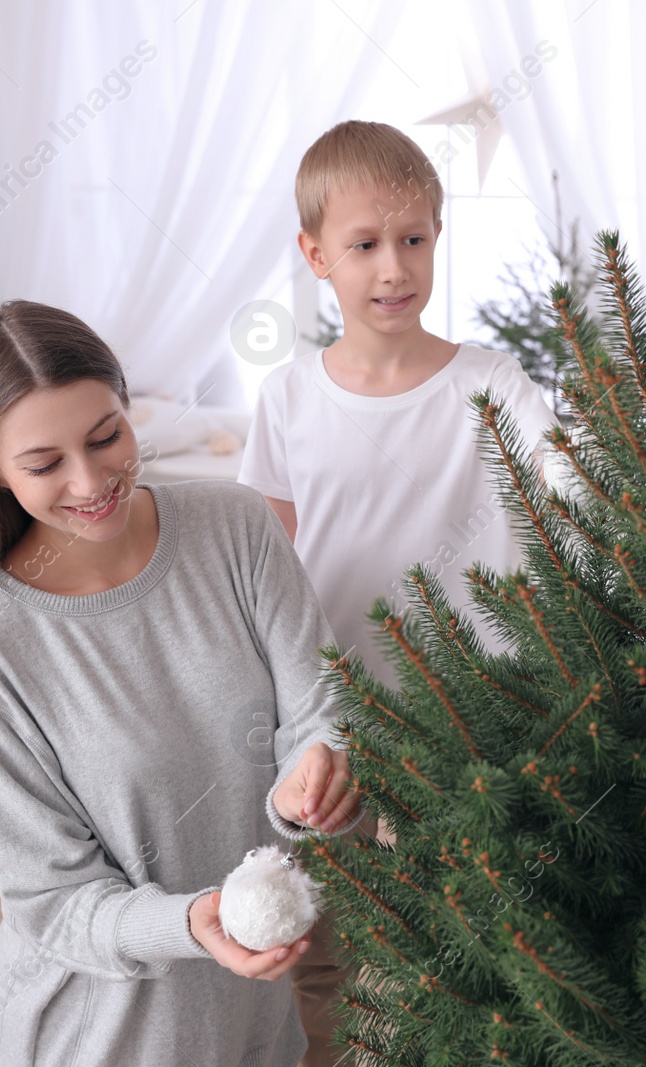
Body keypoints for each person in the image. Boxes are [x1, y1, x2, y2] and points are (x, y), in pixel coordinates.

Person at [0, 299, 361, 1066]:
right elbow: (52, 903)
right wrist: (192, 921)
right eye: (44, 463)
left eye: (107, 437)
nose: (92, 480)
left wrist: (318, 765)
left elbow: (319, 703)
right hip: (100, 1037)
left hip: (255, 1019)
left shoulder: (235, 527)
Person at [238, 119, 560, 1067]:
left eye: (414, 238)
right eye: (366, 245)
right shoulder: (289, 397)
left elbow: (572, 494)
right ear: (315, 256)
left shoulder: (492, 385)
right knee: (329, 934)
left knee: (472, 924)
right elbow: (268, 559)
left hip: (473, 710)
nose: (394, 267)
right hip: (337, 710)